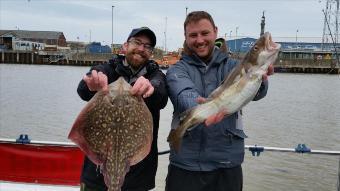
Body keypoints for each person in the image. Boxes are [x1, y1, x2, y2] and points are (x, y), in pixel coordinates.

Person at [165, 11, 273, 191]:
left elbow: (257, 94)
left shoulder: (234, 66)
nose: (199, 40)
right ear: (185, 37)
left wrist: (261, 81)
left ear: (215, 32)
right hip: (186, 166)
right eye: (193, 35)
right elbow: (183, 94)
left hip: (227, 165)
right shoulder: (176, 70)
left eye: (204, 33)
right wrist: (200, 107)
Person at [77, 27, 168, 191]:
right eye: (137, 42)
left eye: (147, 46)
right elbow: (83, 89)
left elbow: (160, 95)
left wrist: (150, 88)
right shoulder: (107, 68)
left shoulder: (156, 75)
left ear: (151, 53)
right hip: (96, 178)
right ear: (125, 46)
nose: (141, 48)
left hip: (138, 180)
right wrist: (92, 82)